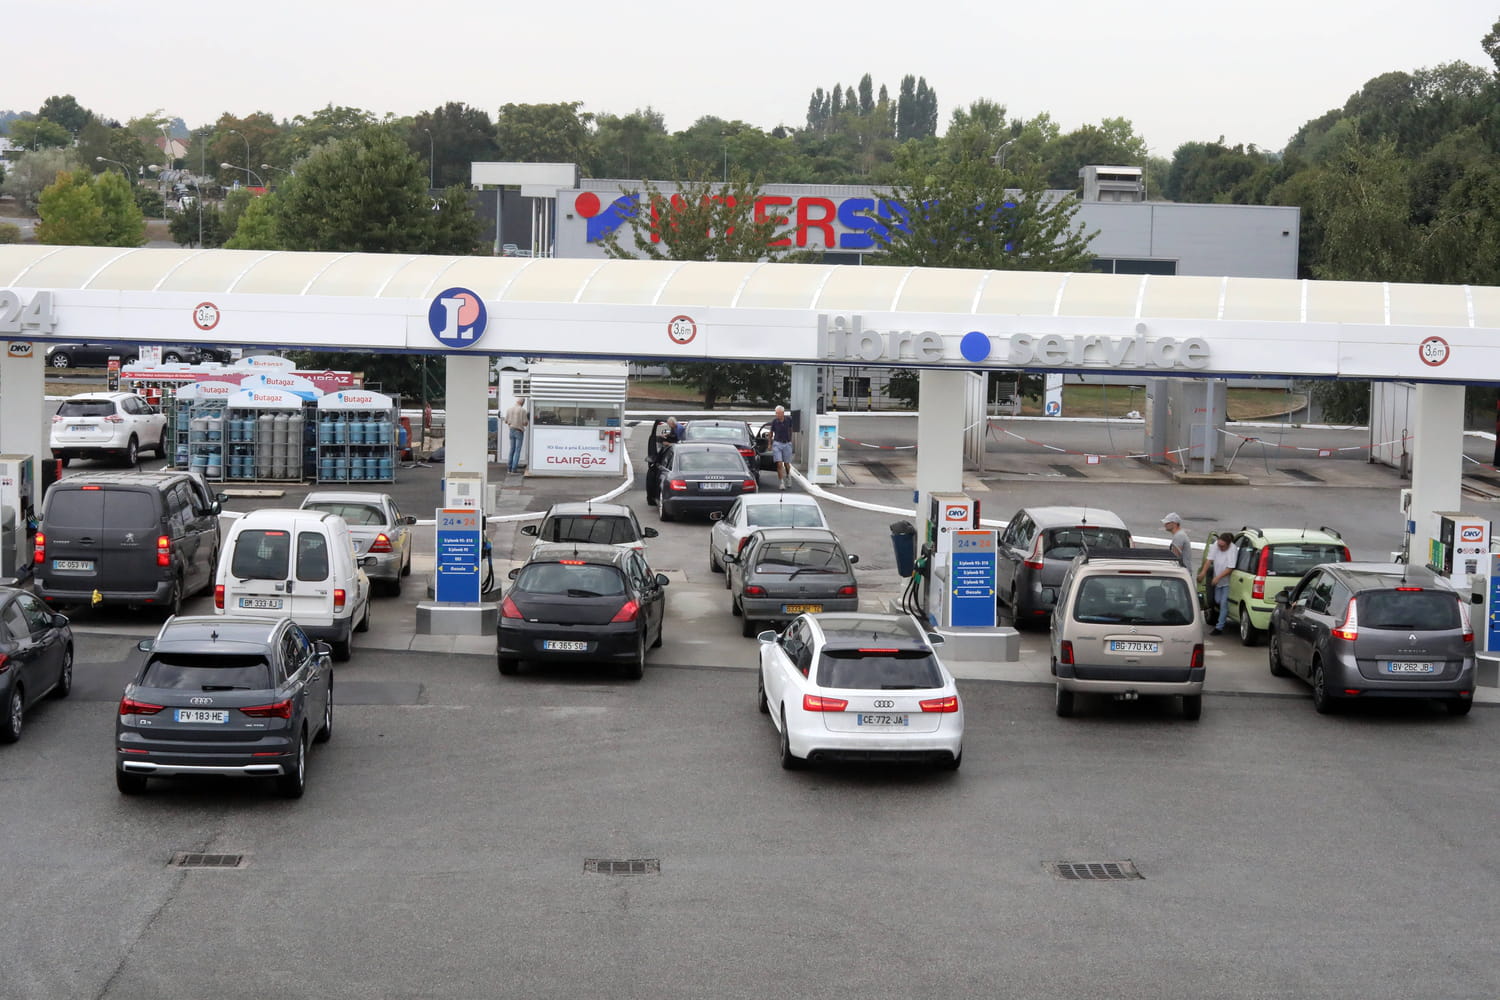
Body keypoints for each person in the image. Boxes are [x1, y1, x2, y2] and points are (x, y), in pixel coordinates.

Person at [1199, 532, 1238, 635]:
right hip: (1218, 581)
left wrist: (1218, 577)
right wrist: (1203, 572)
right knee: (1217, 600)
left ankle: (1219, 627)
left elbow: (1230, 568)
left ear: (1228, 544)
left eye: (1222, 546)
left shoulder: (1232, 550)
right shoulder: (1216, 545)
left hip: (1227, 582)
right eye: (1219, 545)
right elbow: (1209, 560)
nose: (1220, 547)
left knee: (1223, 603)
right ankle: (1224, 615)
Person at [769, 405, 794, 490]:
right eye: (776, 413)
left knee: (787, 464)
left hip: (787, 443)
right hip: (777, 444)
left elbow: (791, 429)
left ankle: (788, 475)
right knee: (779, 463)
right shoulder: (774, 422)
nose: (777, 415)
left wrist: (790, 440)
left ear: (783, 413)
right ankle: (781, 482)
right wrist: (769, 444)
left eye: (778, 413)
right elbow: (771, 433)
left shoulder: (789, 420)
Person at [504, 397, 528, 474]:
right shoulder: (523, 411)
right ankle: (514, 469)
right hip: (519, 431)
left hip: (511, 430)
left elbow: (506, 421)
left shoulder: (509, 409)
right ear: (523, 403)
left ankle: (509, 469)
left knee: (512, 450)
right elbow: (525, 423)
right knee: (517, 451)